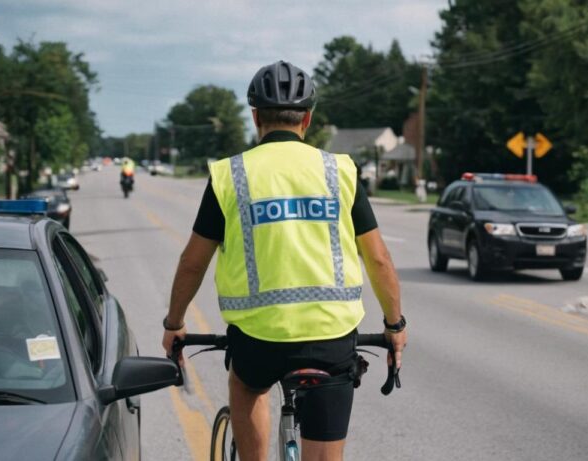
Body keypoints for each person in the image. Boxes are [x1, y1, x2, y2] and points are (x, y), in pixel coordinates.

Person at [161, 60, 406, 461]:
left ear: (255, 117)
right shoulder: (339, 171)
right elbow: (378, 259)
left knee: (247, 385)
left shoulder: (230, 175)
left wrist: (175, 324)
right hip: (331, 338)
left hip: (258, 340)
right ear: (307, 118)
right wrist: (394, 325)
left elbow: (193, 263)